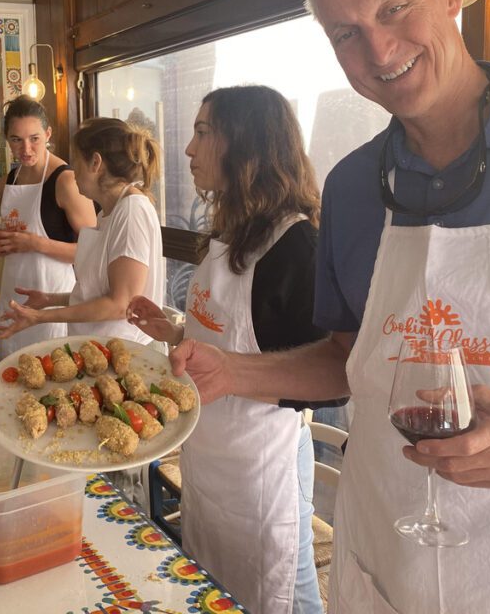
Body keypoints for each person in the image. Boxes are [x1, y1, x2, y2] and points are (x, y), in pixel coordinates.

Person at [170, 0, 490, 613]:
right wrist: (234, 372)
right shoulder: (351, 187)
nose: (377, 49)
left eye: (392, 8)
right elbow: (355, 356)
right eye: (345, 33)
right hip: (388, 566)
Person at [127, 86, 328, 614]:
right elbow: (227, 337)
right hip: (209, 458)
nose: (189, 151)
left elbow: (325, 380)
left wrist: (231, 375)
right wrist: (173, 331)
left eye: (202, 133)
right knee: (214, 585)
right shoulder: (229, 230)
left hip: (263, 468)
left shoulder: (295, 246)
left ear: (247, 144)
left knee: (284, 594)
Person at [0, 116, 164, 345]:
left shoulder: (132, 210)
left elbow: (120, 304)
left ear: (96, 163)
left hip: (124, 351)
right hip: (98, 346)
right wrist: (49, 299)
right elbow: (96, 292)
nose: (72, 173)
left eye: (75, 163)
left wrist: (40, 317)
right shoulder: (108, 212)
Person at [0, 97, 97, 358]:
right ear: (7, 139)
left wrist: (34, 243)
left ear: (47, 134)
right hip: (13, 298)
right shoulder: (5, 184)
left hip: (53, 302)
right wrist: (2, 245)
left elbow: (94, 253)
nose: (26, 148)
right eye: (16, 140)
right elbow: (16, 242)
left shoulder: (66, 181)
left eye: (34, 138)